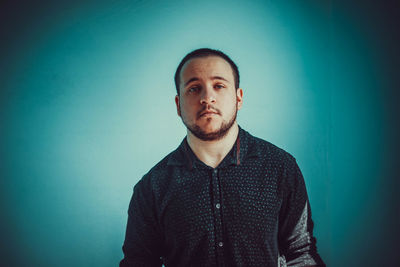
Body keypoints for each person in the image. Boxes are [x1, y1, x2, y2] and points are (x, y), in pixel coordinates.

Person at [120, 48, 325, 267]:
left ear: (239, 98)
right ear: (178, 105)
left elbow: (300, 253)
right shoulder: (152, 187)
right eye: (194, 88)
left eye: (219, 85)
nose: (207, 98)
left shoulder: (280, 168)